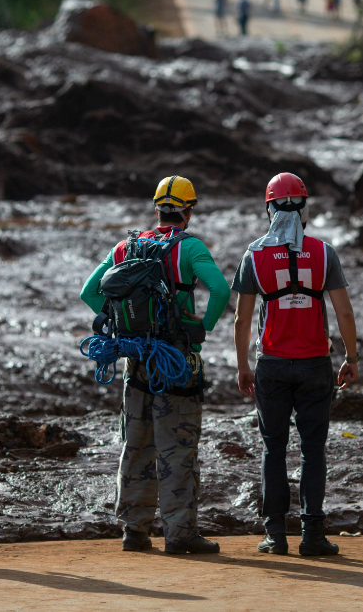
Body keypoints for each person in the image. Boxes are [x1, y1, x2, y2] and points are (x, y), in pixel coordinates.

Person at [80, 176, 230, 554]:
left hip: (136, 361)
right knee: (177, 447)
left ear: (157, 208)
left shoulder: (124, 247)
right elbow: (221, 289)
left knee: (137, 443)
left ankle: (134, 530)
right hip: (177, 361)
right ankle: (179, 534)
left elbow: (89, 292)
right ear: (189, 211)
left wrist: (118, 324)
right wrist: (201, 328)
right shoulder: (190, 248)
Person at [232, 172, 359, 557]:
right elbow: (344, 313)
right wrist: (352, 358)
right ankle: (313, 536)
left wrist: (242, 367)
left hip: (271, 365)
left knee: (273, 447)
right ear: (304, 209)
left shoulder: (254, 255)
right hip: (315, 365)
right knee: (313, 449)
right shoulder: (324, 253)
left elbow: (240, 319)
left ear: (269, 209)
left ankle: (275, 535)